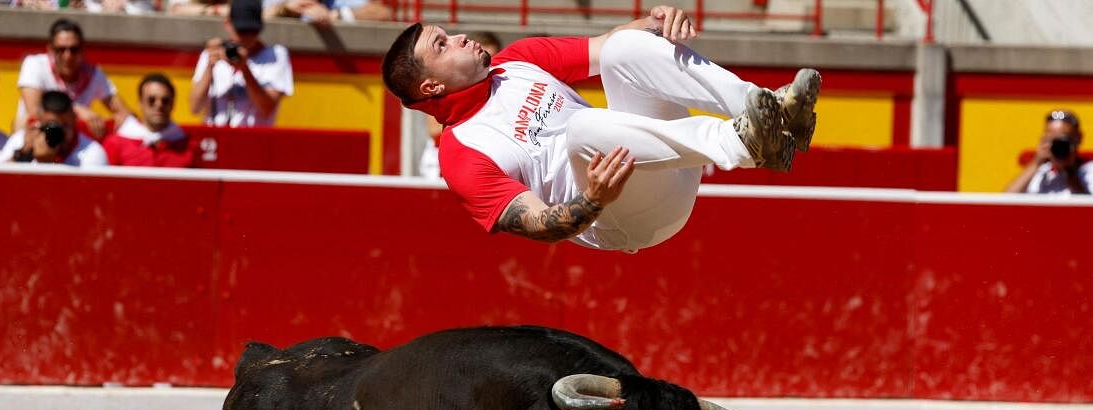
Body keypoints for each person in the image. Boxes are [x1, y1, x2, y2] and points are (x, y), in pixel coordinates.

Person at [382, 6, 820, 252]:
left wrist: (660, 23)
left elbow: (616, 45)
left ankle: (773, 116)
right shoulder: (461, 155)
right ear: (432, 85)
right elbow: (537, 223)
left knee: (624, 47)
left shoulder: (517, 60)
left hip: (664, 164)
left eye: (449, 33)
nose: (459, 37)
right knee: (583, 127)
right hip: (626, 218)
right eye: (443, 44)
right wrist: (592, 199)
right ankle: (742, 142)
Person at [15, 17, 128, 139]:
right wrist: (78, 111)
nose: (67, 56)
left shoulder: (93, 73)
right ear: (50, 50)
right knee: (27, 121)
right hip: (35, 140)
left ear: (82, 50)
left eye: (73, 50)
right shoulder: (34, 64)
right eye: (61, 49)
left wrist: (117, 122)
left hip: (73, 147)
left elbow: (125, 113)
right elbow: (34, 111)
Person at [190, 0, 294, 128]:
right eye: (242, 31)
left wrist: (244, 69)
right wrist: (209, 67)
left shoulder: (276, 55)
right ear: (228, 24)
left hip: (253, 141)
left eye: (253, 31)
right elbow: (195, 107)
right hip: (216, 140)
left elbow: (266, 109)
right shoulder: (212, 54)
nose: (248, 37)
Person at [418, 31, 501, 179]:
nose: (488, 61)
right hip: (447, 159)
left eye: (493, 57)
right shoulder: (450, 88)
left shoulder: (501, 81)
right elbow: (436, 130)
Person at [103, 74, 195, 168]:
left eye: (165, 100)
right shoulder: (115, 144)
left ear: (172, 104)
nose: (159, 105)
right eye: (151, 100)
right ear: (140, 103)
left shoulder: (188, 146)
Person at [0, 90, 109, 167]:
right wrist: (22, 155)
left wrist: (47, 163)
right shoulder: (22, 140)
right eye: (51, 126)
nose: (58, 132)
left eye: (65, 125)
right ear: (39, 121)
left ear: (74, 120)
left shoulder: (92, 152)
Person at [1004, 109, 1091, 196]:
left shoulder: (1088, 171)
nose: (1058, 145)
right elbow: (1005, 201)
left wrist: (1069, 172)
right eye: (1053, 139)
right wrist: (1036, 162)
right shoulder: (1038, 171)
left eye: (1064, 139)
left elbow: (1087, 206)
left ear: (1079, 138)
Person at [262, 0, 392, 24]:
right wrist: (286, 9)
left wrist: (337, 15)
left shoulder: (333, 2)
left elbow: (383, 13)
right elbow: (250, 17)